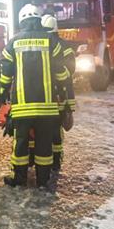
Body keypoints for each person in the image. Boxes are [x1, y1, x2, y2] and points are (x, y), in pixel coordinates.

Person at [0, 5, 71, 188]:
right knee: (44, 144)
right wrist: (64, 93)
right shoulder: (51, 41)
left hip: (22, 108)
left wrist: (2, 97)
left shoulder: (14, 42)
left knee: (21, 143)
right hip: (47, 108)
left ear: (21, 21)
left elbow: (5, 74)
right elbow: (61, 72)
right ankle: (43, 180)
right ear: (39, 20)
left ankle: (19, 178)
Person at [38, 14, 76, 172]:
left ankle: (39, 159)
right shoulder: (64, 46)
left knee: (41, 127)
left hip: (42, 94)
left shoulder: (40, 43)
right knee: (56, 128)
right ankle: (56, 160)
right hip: (61, 94)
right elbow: (71, 70)